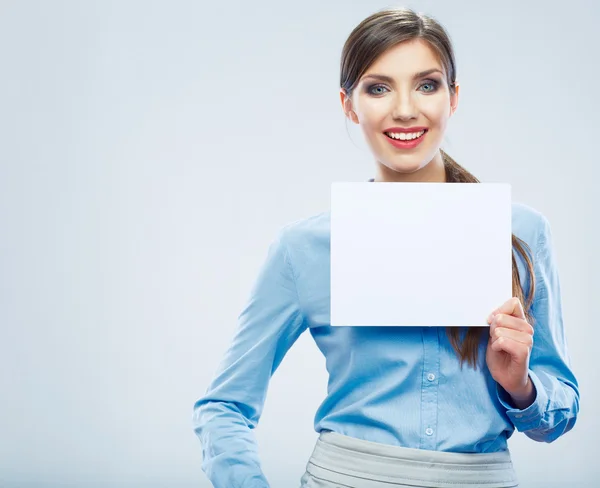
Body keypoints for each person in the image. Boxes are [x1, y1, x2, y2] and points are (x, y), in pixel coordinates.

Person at [192, 7, 579, 488]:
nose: (404, 109)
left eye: (427, 84)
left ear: (453, 98)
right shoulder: (305, 248)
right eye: (378, 88)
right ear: (349, 105)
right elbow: (223, 406)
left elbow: (559, 417)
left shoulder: (520, 232)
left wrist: (520, 385)